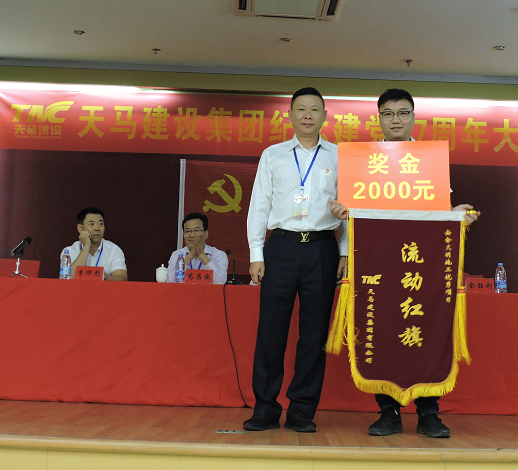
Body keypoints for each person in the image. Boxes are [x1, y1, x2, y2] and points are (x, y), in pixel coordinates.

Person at [329, 88, 479, 439]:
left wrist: (457, 216)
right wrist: (343, 228)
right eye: (388, 113)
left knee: (426, 327)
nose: (395, 120)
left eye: (402, 113)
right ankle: (388, 411)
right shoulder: (364, 161)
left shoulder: (428, 159)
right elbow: (354, 215)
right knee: (381, 330)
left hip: (421, 263)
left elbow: (438, 211)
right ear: (378, 118)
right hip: (375, 261)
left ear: (413, 117)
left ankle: (429, 413)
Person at [243, 87, 348, 434]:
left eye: (314, 109)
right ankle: (265, 408)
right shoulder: (273, 155)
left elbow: (350, 208)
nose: (307, 115)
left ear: (324, 116)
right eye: (301, 109)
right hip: (281, 247)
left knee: (314, 335)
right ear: (289, 115)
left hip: (322, 248)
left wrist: (345, 251)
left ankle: (302, 410)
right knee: (271, 331)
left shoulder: (339, 156)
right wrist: (256, 253)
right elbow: (259, 204)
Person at [63, 207, 128, 281]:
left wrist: (109, 279)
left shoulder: (114, 250)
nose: (97, 228)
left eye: (101, 224)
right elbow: (68, 279)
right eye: (91, 224)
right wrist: (86, 247)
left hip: (104, 288)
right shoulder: (69, 252)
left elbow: (122, 278)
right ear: (80, 228)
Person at [166, 212, 228, 284]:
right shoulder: (177, 255)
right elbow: (171, 281)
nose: (192, 235)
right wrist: (190, 255)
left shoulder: (218, 255)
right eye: (187, 231)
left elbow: (220, 282)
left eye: (196, 230)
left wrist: (202, 254)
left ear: (206, 234)